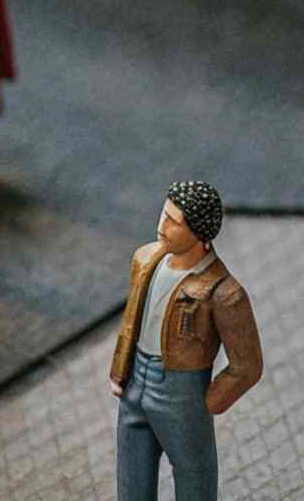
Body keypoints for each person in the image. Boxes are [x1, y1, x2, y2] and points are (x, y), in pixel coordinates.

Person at [109, 181, 263, 501]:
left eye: (173, 222)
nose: (160, 226)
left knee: (194, 475)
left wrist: (206, 404)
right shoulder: (145, 259)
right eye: (163, 214)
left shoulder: (224, 293)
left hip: (182, 390)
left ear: (199, 235)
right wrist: (120, 367)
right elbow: (131, 320)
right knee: (131, 474)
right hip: (135, 382)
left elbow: (247, 365)